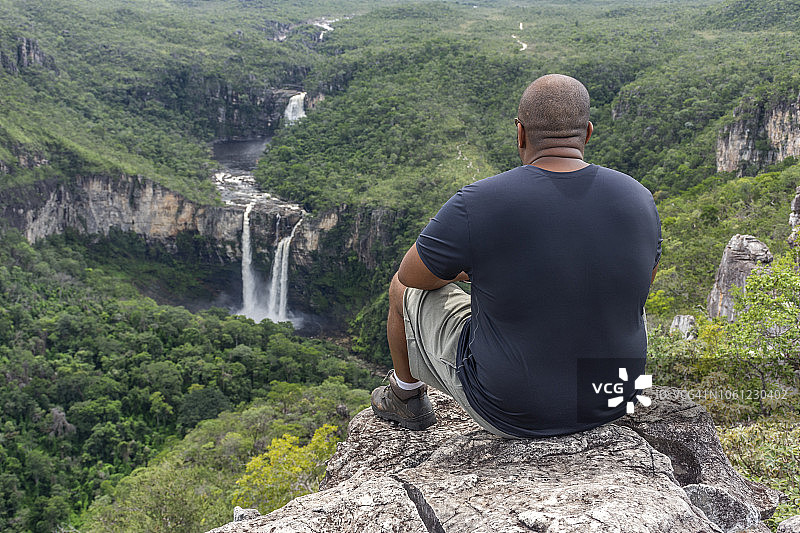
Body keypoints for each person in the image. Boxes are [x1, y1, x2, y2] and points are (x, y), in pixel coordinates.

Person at [370, 74, 662, 438]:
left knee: (400, 289)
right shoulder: (640, 198)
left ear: (520, 133)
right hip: (612, 399)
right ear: (587, 133)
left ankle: (406, 397)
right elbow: (641, 287)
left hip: (509, 411)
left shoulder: (479, 202)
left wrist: (468, 273)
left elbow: (413, 275)